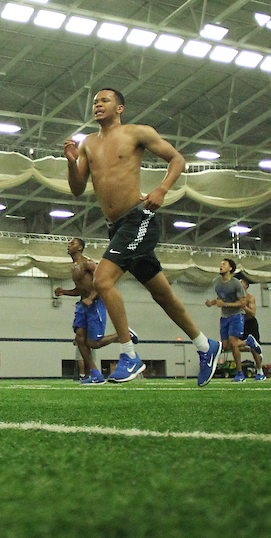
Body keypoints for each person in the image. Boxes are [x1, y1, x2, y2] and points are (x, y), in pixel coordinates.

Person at [64, 88, 221, 385]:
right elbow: (76, 188)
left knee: (102, 280)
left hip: (140, 219)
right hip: (117, 226)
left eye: (104, 101)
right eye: (95, 102)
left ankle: (129, 355)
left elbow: (176, 159)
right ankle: (205, 345)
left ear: (119, 107)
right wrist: (72, 161)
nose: (98, 105)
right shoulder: (87, 143)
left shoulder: (137, 133)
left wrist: (161, 190)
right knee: (162, 294)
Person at [54, 237, 137, 384]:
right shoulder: (74, 267)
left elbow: (102, 280)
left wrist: (91, 298)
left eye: (72, 243)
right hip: (83, 304)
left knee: (93, 343)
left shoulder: (87, 262)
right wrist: (64, 292)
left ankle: (123, 334)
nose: (68, 245)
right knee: (80, 338)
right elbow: (81, 289)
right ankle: (95, 374)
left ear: (80, 248)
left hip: (96, 302)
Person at [204, 259, 264, 382]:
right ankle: (249, 343)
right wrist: (212, 303)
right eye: (220, 264)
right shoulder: (216, 282)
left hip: (242, 318)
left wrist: (225, 304)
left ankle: (255, 372)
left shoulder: (243, 291)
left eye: (224, 264)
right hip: (225, 317)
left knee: (235, 343)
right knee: (227, 346)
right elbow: (221, 298)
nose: (220, 266)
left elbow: (247, 309)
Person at [240, 278, 266, 381]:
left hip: (250, 322)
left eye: (241, 284)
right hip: (239, 322)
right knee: (235, 346)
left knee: (255, 350)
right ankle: (251, 347)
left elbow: (252, 313)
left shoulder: (250, 298)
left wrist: (244, 307)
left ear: (246, 286)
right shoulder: (234, 298)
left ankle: (260, 372)